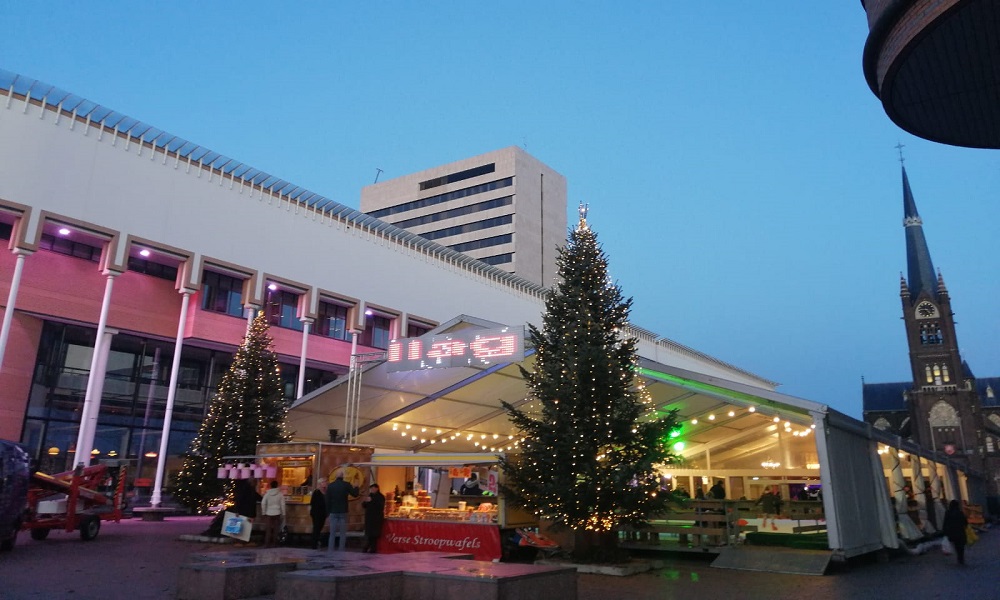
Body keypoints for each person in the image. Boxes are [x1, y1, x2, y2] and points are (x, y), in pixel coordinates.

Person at [326, 468, 359, 552]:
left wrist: (327, 513)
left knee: (332, 533)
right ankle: (341, 550)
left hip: (333, 511)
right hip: (343, 511)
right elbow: (355, 494)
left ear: (336, 476)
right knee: (342, 533)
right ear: (343, 476)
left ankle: (330, 549)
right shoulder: (346, 485)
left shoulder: (330, 486)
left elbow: (327, 500)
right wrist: (356, 487)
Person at [942, 499, 968, 565]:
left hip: (952, 533)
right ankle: (961, 557)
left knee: (956, 545)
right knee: (961, 546)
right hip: (960, 532)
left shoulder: (948, 513)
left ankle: (959, 558)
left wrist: (945, 532)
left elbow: (945, 523)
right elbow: (965, 522)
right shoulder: (960, 512)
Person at [361, 483, 386, 553]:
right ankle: (369, 547)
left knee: (374, 534)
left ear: (377, 489)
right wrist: (365, 501)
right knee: (369, 534)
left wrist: (371, 501)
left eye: (373, 488)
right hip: (369, 518)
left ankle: (370, 548)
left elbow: (380, 506)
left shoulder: (380, 497)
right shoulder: (370, 496)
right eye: (371, 489)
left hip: (376, 518)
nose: (371, 490)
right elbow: (364, 505)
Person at [260, 480, 285, 548]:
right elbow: (282, 504)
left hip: (268, 513)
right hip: (277, 513)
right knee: (276, 529)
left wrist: (264, 512)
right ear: (277, 485)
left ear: (270, 486)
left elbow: (263, 503)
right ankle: (274, 543)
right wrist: (283, 513)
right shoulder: (280, 494)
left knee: (268, 529)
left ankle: (267, 544)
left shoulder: (267, 494)